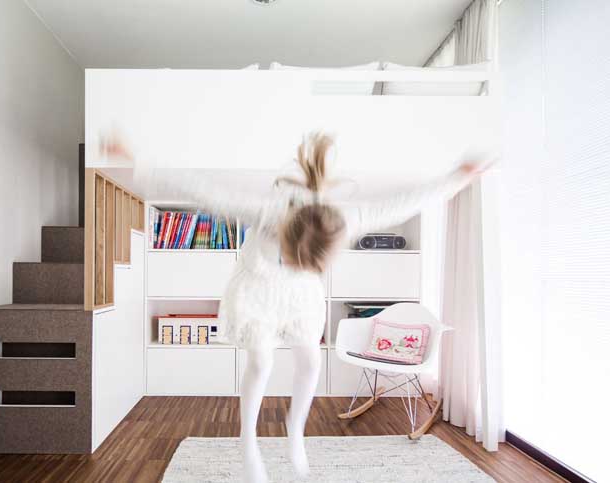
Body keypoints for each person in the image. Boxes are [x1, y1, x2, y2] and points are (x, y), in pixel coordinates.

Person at [100, 131, 484, 483]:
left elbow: (404, 203)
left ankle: (294, 432)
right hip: (259, 290)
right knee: (262, 362)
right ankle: (247, 439)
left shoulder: (346, 219)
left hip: (300, 296)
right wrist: (137, 160)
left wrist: (459, 177)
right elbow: (202, 190)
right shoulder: (267, 212)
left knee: (311, 361)